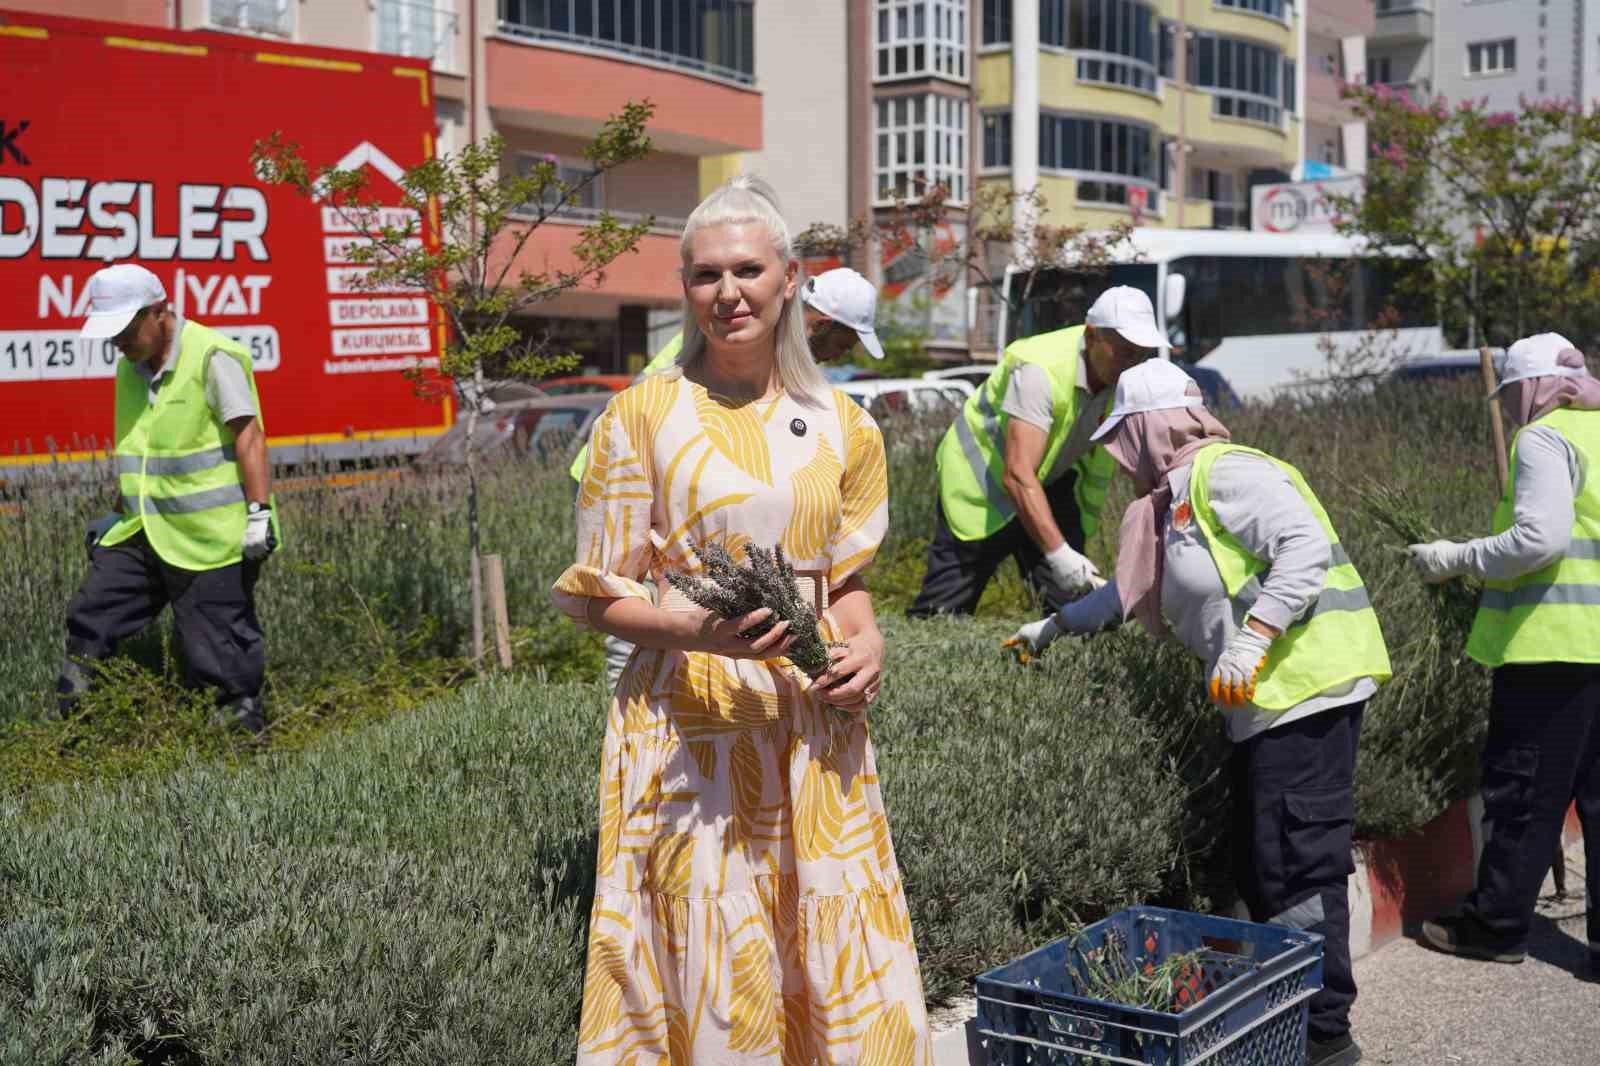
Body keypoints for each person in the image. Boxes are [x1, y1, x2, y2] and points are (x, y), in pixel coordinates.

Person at [551, 175, 931, 1062]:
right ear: (684, 287)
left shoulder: (845, 424)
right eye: (705, 275)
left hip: (812, 720)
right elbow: (588, 591)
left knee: (824, 935)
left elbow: (848, 584)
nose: (728, 293)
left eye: (748, 270)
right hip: (692, 726)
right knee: (709, 951)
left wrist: (869, 644)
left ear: (790, 278)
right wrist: (694, 630)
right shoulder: (642, 416)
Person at [1005, 359, 1391, 1066]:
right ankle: (1282, 1011)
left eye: (1127, 437)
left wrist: (1255, 636)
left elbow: (1302, 548)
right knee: (1260, 859)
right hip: (1263, 704)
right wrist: (1055, 626)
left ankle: (1325, 1033)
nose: (1120, 455)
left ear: (1156, 428)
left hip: (1305, 692)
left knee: (1300, 864)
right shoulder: (1171, 499)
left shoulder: (1228, 472)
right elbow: (1130, 594)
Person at [573, 266, 888, 692]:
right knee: (641, 600)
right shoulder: (722, 353)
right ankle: (630, 689)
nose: (840, 355)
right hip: (637, 489)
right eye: (842, 343)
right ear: (822, 323)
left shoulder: (791, 379)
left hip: (658, 485)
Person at [1408, 333, 1600, 973]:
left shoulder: (1547, 438)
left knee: (1525, 792)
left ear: (1535, 385)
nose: (1514, 407)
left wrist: (1456, 557)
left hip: (1553, 649)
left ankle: (1496, 927)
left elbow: (1539, 540)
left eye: (1515, 394)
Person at [57, 264, 279, 734]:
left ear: (158, 312)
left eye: (124, 328)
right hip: (145, 531)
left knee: (219, 651)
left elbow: (250, 436)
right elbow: (144, 451)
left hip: (210, 539)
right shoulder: (129, 367)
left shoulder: (212, 356)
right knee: (93, 612)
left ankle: (242, 741)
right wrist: (117, 517)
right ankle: (77, 727)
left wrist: (259, 514)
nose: (117, 342)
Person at [907, 286, 1165, 619]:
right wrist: (1058, 553)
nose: (1133, 363)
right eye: (1124, 351)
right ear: (1092, 335)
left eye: (1141, 353)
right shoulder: (1040, 369)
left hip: (1048, 482)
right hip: (981, 489)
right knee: (942, 612)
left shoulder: (1123, 380)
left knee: (1074, 609)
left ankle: (1060, 662)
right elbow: (1017, 474)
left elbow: (1141, 463)